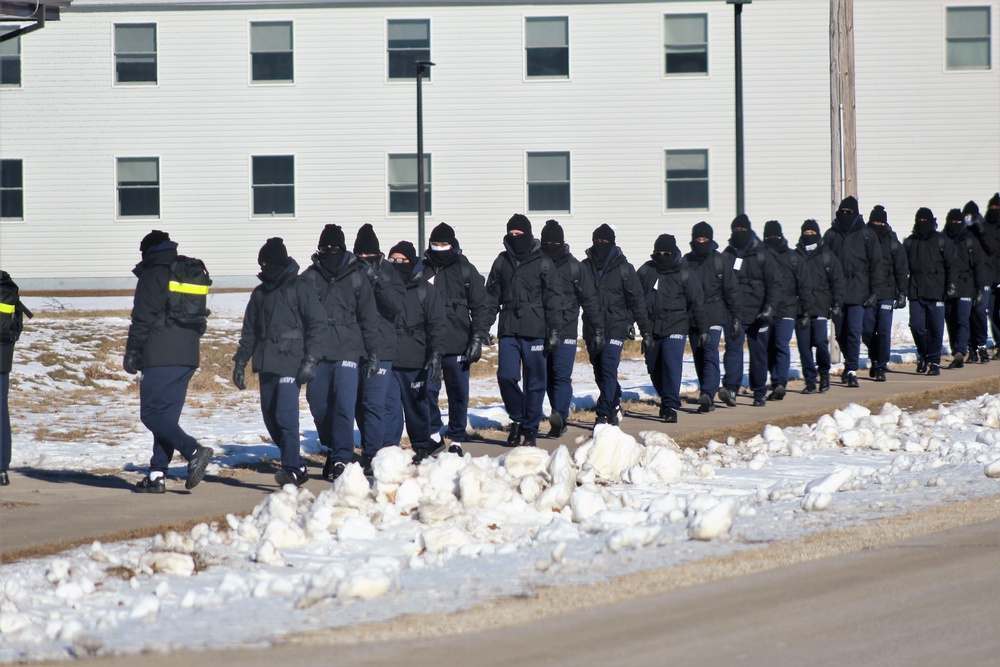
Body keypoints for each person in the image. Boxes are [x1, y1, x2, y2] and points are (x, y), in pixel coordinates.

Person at [232, 238, 327, 487]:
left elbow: (317, 325)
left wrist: (310, 360)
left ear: (276, 262)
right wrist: (241, 361)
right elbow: (250, 331)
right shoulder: (260, 293)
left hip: (292, 361)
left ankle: (292, 469)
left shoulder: (299, 287)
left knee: (285, 415)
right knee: (270, 417)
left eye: (265, 263)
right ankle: (295, 460)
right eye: (260, 263)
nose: (262, 268)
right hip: (267, 362)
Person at [124, 230, 213, 493]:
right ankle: (157, 474)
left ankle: (193, 450)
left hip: (160, 354)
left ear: (147, 252)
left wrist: (132, 351)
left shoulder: (153, 274)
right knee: (166, 418)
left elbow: (142, 317)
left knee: (151, 414)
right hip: (187, 355)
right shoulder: (184, 270)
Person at [300, 224, 379, 482]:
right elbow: (298, 315)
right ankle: (334, 447)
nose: (330, 251)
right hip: (319, 351)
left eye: (335, 247)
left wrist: (372, 352)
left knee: (344, 406)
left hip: (348, 349)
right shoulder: (310, 277)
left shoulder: (357, 276)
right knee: (319, 405)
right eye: (325, 248)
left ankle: (342, 459)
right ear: (319, 249)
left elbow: (368, 317)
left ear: (344, 249)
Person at [485, 214, 565, 447]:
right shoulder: (501, 261)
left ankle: (530, 428)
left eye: (519, 234)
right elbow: (491, 296)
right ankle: (518, 418)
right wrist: (482, 326)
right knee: (506, 376)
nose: (514, 237)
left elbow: (554, 298)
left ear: (529, 235)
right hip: (509, 327)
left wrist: (554, 331)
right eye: (511, 234)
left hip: (535, 328)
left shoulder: (543, 261)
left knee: (535, 381)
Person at [420, 222, 491, 453]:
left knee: (458, 393)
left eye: (444, 244)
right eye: (435, 243)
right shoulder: (423, 269)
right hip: (428, 343)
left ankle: (457, 439)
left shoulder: (465, 269)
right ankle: (434, 433)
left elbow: (481, 305)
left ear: (452, 244)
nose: (440, 248)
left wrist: (477, 338)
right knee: (427, 391)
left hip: (458, 341)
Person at [580, 223, 650, 426]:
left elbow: (637, 301)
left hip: (616, 325)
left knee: (609, 366)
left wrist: (645, 331)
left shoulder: (624, 269)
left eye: (605, 241)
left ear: (612, 243)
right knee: (599, 370)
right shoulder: (585, 266)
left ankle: (602, 414)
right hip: (592, 326)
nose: (600, 244)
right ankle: (614, 401)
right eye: (597, 241)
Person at [383, 241, 447, 462]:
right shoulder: (383, 288)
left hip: (415, 359)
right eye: (392, 260)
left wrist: (436, 354)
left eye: (402, 260)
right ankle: (389, 451)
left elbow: (438, 324)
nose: (397, 264)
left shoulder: (426, 291)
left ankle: (422, 446)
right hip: (389, 359)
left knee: (417, 408)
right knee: (389, 409)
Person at [539, 219, 602, 437]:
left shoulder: (575, 267)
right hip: (539, 329)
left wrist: (597, 328)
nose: (550, 246)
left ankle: (560, 416)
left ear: (562, 242)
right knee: (546, 376)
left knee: (561, 375)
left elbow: (590, 299)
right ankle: (557, 411)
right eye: (546, 242)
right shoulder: (536, 263)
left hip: (566, 329)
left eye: (554, 242)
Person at [637, 234, 708, 422]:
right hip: (651, 326)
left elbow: (697, 302)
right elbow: (634, 298)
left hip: (676, 325)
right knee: (653, 366)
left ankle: (670, 405)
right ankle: (665, 395)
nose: (663, 255)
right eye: (659, 252)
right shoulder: (646, 270)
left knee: (671, 363)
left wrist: (703, 329)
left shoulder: (684, 273)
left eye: (666, 252)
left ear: (674, 252)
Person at [352, 224, 405, 471]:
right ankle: (377, 445)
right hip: (354, 345)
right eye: (359, 255)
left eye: (368, 256)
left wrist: (377, 281)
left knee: (374, 401)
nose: (364, 260)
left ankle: (374, 453)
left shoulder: (388, 271)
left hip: (382, 346)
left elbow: (396, 306)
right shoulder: (349, 270)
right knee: (358, 404)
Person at [823, 196, 882, 388]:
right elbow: (822, 264)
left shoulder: (867, 234)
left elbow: (876, 264)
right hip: (837, 293)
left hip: (859, 291)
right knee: (840, 332)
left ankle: (851, 369)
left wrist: (874, 291)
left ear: (856, 213)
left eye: (849, 212)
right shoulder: (831, 235)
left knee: (854, 332)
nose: (845, 215)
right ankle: (850, 361)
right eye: (843, 211)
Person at [721, 214, 779, 407]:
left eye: (742, 230)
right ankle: (731, 388)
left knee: (758, 353)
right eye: (735, 230)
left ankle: (759, 391)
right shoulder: (727, 255)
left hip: (758, 313)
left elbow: (774, 283)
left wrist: (769, 308)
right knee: (733, 350)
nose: (739, 234)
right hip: (734, 312)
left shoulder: (762, 254)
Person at [682, 222, 739, 413]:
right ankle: (706, 390)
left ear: (711, 239)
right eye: (698, 239)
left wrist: (736, 318)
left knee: (710, 352)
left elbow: (731, 290)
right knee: (699, 355)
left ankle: (708, 393)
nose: (701, 242)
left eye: (704, 239)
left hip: (715, 312)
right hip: (693, 315)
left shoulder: (719, 260)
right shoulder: (686, 261)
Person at [794, 219, 845, 393]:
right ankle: (810, 380)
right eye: (806, 233)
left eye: (812, 233)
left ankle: (824, 374)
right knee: (804, 346)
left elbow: (837, 281)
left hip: (820, 306)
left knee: (821, 342)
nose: (809, 236)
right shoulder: (796, 255)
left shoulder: (827, 255)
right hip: (800, 308)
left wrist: (836, 303)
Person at [903, 207, 956, 376]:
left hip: (937, 291)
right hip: (916, 291)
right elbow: (902, 267)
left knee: (935, 328)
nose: (923, 224)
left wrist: (951, 285)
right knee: (916, 326)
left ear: (933, 222)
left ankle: (934, 360)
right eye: (920, 221)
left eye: (926, 221)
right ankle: (924, 353)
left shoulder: (941, 241)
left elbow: (951, 265)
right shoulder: (910, 242)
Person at [863, 205, 909, 382]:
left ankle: (880, 365)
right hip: (867, 292)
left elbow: (901, 267)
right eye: (875, 221)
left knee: (883, 330)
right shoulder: (864, 237)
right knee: (866, 329)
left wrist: (902, 292)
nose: (877, 224)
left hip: (887, 292)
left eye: (880, 221)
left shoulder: (892, 241)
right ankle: (875, 355)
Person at [761, 220, 803, 400]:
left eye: (775, 236)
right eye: (769, 236)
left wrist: (805, 311)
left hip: (787, 309)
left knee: (781, 344)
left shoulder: (792, 257)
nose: (773, 239)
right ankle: (774, 378)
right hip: (765, 309)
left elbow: (803, 285)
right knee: (768, 348)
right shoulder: (759, 256)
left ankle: (780, 383)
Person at [942, 208, 988, 369]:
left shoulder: (970, 241)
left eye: (957, 221)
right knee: (951, 320)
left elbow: (979, 267)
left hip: (966, 286)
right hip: (947, 287)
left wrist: (980, 289)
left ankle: (960, 351)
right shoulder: (942, 239)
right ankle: (959, 348)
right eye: (952, 221)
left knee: (963, 319)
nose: (954, 224)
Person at [0, 270, 31, 486]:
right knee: (1, 411)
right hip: (2, 355)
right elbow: (16, 324)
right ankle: (1, 469)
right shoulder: (6, 285)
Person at [965, 199, 995, 363]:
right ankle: (971, 348)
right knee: (967, 313)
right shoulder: (963, 231)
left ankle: (981, 345)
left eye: (971, 215)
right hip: (967, 278)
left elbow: (992, 247)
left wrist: (981, 228)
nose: (968, 218)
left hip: (983, 276)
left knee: (980, 311)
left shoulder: (985, 230)